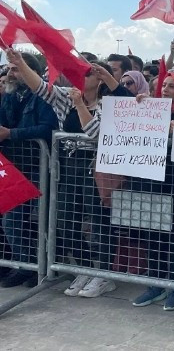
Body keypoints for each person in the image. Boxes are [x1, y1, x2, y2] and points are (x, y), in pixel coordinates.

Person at [4, 48, 133, 298]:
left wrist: (81, 104)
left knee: (99, 222)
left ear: (99, 79)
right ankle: (84, 267)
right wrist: (20, 63)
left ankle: (104, 275)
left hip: (97, 169)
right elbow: (39, 87)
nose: (80, 76)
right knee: (65, 220)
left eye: (88, 73)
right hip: (70, 167)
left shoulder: (108, 105)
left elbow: (95, 133)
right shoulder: (66, 97)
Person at [130, 71, 174, 312]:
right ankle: (155, 283)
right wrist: (141, 108)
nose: (166, 89)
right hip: (152, 181)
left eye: (172, 86)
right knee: (153, 233)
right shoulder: (153, 110)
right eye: (164, 85)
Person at [0, 52, 58, 288]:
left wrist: (11, 134)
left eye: (15, 69)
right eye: (9, 69)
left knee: (42, 222)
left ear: (29, 71)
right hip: (16, 167)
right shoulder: (11, 95)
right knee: (13, 220)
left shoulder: (44, 96)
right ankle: (26, 265)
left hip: (40, 167)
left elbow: (48, 129)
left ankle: (41, 267)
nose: (9, 74)